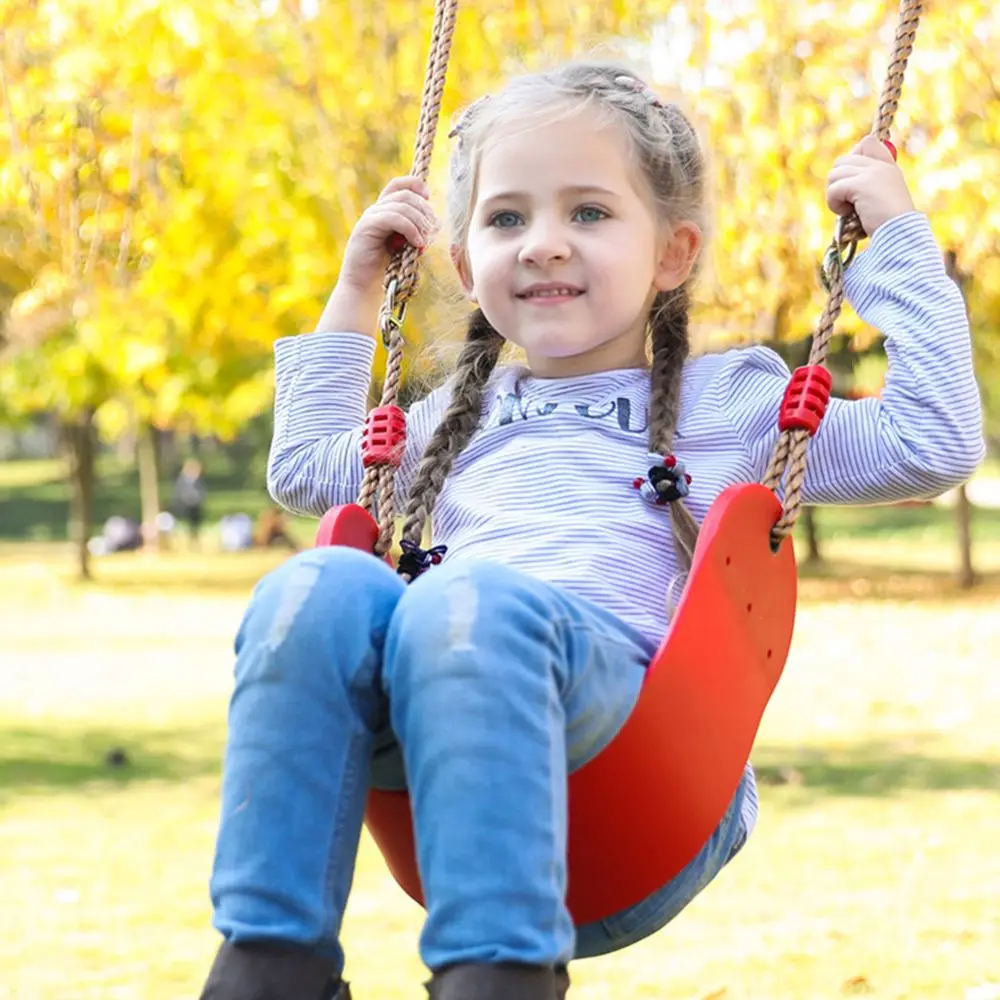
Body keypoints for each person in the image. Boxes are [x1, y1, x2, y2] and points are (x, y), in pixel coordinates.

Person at [198, 61, 984, 1000]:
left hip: (639, 766)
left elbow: (932, 440)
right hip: (450, 764)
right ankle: (270, 958)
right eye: (505, 218)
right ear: (460, 261)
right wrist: (359, 286)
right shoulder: (455, 416)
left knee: (466, 599)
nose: (542, 244)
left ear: (673, 252)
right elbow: (302, 468)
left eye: (589, 213)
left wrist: (894, 241)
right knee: (309, 591)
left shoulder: (729, 403)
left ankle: (498, 975)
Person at [174, 458, 206, 549]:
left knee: (195, 525)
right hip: (185, 506)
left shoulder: (198, 480)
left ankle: (195, 541)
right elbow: (179, 492)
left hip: (196, 506)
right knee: (187, 525)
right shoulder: (182, 481)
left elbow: (202, 492)